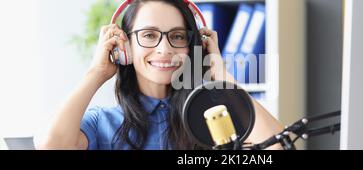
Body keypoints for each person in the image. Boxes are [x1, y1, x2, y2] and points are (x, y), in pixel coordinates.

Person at [35, 0, 283, 150]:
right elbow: (50, 145)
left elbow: (278, 145)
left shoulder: (215, 119)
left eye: (177, 36)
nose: (164, 49)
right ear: (124, 46)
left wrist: (222, 75)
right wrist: (96, 72)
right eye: (149, 35)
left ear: (193, 46)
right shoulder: (102, 122)